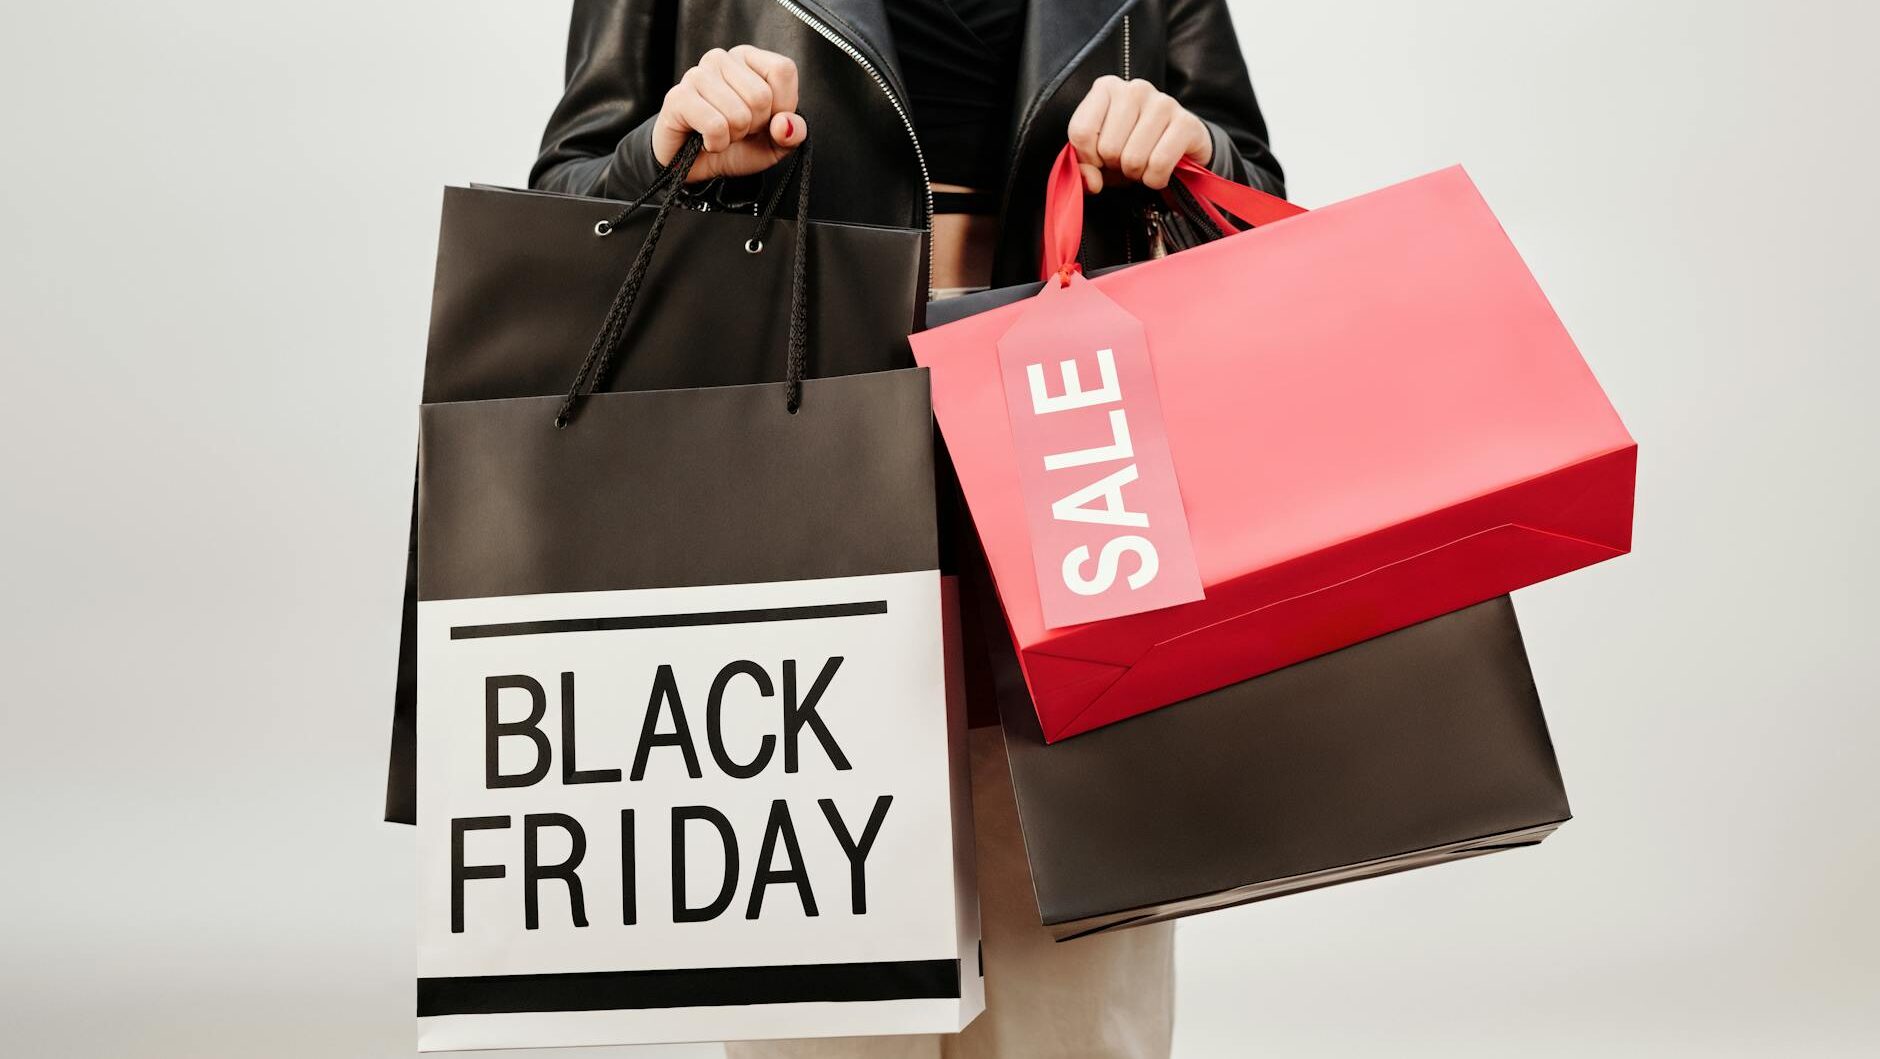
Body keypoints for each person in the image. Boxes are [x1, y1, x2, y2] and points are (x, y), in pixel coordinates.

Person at [531, 3, 1283, 1055]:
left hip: (1075, 463)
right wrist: (669, 152)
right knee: (828, 992)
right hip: (801, 458)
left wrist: (1184, 146)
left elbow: (1247, 193)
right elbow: (564, 209)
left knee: (1077, 1009)